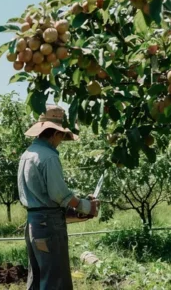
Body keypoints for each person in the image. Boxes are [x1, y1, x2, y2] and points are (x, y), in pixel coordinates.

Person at [18, 105, 100, 290]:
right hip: (49, 225)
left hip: (34, 223)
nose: (61, 141)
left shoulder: (27, 154)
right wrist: (85, 206)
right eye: (62, 136)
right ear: (55, 133)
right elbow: (58, 194)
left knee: (38, 276)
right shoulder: (48, 157)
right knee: (55, 280)